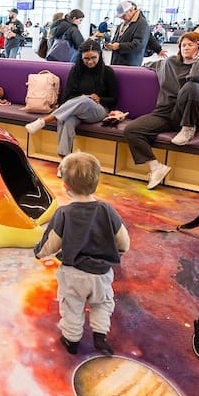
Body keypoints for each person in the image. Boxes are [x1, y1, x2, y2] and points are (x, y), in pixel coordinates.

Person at [34, 152, 130, 356]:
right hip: (101, 274)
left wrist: (39, 253)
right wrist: (117, 253)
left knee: (72, 306)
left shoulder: (64, 213)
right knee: (102, 303)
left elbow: (51, 243)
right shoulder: (107, 210)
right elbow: (124, 242)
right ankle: (100, 335)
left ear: (66, 185)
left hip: (73, 274)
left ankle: (72, 340)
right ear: (97, 182)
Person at [123, 31, 199, 189]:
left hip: (187, 115)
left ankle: (188, 128)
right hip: (164, 113)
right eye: (183, 45)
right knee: (132, 129)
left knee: (192, 86)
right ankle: (156, 168)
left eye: (190, 45)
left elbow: (196, 78)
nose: (185, 47)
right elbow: (150, 64)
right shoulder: (170, 63)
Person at [26, 40, 118, 156]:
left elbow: (114, 99)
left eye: (93, 58)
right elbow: (67, 96)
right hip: (76, 110)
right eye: (86, 58)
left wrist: (100, 99)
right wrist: (83, 98)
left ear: (99, 54)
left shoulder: (107, 72)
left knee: (85, 100)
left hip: (99, 111)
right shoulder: (76, 71)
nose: (90, 62)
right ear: (81, 57)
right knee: (66, 120)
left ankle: (44, 121)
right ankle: (64, 158)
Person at [106, 1, 151, 67]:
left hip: (129, 64)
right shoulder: (122, 25)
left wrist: (119, 46)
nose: (122, 18)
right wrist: (111, 45)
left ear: (131, 10)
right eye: (121, 17)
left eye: (124, 15)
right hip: (117, 62)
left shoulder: (142, 24)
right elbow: (117, 40)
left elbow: (138, 45)